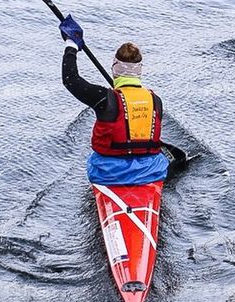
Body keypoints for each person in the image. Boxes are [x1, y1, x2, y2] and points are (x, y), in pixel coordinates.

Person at [59, 15, 169, 186]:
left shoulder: (103, 98)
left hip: (109, 174)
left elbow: (70, 79)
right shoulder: (156, 101)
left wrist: (71, 44)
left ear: (114, 69)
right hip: (150, 172)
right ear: (139, 71)